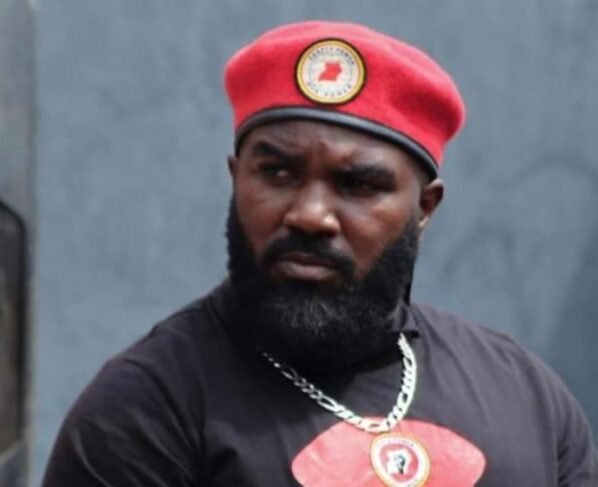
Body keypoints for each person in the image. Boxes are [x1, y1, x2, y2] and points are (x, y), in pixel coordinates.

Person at [42, 20, 598, 486]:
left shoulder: (525, 398)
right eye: (277, 173)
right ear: (237, 179)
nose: (309, 215)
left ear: (424, 209)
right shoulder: (143, 412)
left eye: (358, 184)